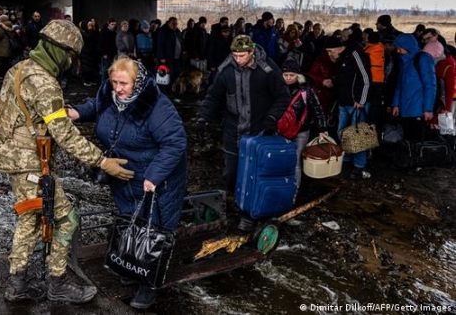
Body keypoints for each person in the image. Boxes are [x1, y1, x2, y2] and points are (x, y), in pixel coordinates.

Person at [0, 19, 134, 304]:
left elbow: (1, 117)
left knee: (29, 219)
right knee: (68, 220)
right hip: (31, 164)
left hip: (14, 160)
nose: (70, 62)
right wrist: (102, 161)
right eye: (70, 55)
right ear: (59, 50)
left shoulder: (19, 69)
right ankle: (57, 282)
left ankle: (17, 283)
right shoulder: (44, 82)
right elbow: (64, 134)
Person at [67, 57, 187, 310]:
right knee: (131, 221)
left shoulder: (156, 106)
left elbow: (175, 143)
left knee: (154, 229)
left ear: (138, 82)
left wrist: (153, 176)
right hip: (124, 176)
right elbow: (97, 106)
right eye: (114, 82)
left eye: (124, 83)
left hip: (157, 180)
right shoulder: (110, 95)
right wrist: (77, 112)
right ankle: (132, 267)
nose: (118, 88)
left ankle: (150, 284)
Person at [197, 35, 290, 232]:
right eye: (235, 55)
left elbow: (283, 96)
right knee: (231, 174)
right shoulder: (226, 71)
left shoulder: (267, 70)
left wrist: (272, 117)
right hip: (233, 131)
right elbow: (213, 96)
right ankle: (238, 201)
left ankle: (249, 215)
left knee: (254, 175)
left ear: (251, 52)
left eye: (242, 55)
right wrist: (203, 117)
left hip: (259, 132)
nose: (238, 59)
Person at [324, 35, 373, 180]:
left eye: (330, 51)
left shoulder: (355, 54)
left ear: (338, 48)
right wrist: (333, 81)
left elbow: (366, 78)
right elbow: (344, 78)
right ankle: (346, 159)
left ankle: (359, 166)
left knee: (358, 135)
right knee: (342, 133)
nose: (329, 54)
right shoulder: (340, 60)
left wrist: (362, 100)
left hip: (356, 103)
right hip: (343, 102)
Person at [280, 60, 328, 188]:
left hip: (301, 130)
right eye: (286, 75)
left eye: (292, 75)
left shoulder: (306, 89)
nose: (289, 78)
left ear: (298, 75)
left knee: (295, 161)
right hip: (281, 129)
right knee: (280, 158)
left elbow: (317, 108)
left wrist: (322, 129)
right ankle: (280, 187)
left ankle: (293, 190)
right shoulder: (277, 87)